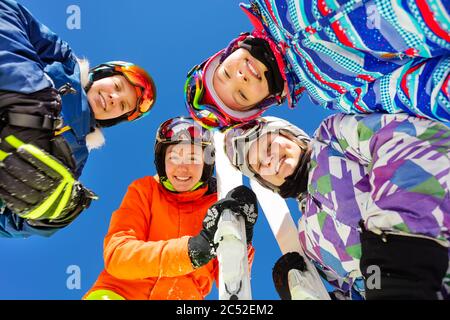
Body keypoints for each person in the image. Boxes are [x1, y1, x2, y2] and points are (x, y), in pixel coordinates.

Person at [224, 114, 450, 299]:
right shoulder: (308, 238)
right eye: (261, 165)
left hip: (436, 248)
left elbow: (403, 139)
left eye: (268, 145)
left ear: (289, 134)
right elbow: (358, 287)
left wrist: (397, 246)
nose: (270, 160)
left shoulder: (331, 139)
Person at [0, 0, 156, 237]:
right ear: (100, 74)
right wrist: (27, 94)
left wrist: (47, 218)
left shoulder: (75, 158)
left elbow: (10, 222)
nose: (113, 98)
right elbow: (8, 11)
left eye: (123, 105)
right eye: (116, 85)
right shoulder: (61, 61)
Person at [185, 0, 450, 130]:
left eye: (227, 72)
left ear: (228, 52)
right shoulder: (329, 91)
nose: (240, 77)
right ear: (263, 102)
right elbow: (410, 89)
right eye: (241, 95)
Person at [83, 117, 257, 300]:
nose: (183, 168)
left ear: (206, 164)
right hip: (119, 293)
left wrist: (240, 237)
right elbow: (118, 256)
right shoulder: (145, 190)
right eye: (174, 157)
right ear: (162, 162)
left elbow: (228, 282)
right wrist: (189, 252)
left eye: (193, 157)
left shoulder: (217, 206)